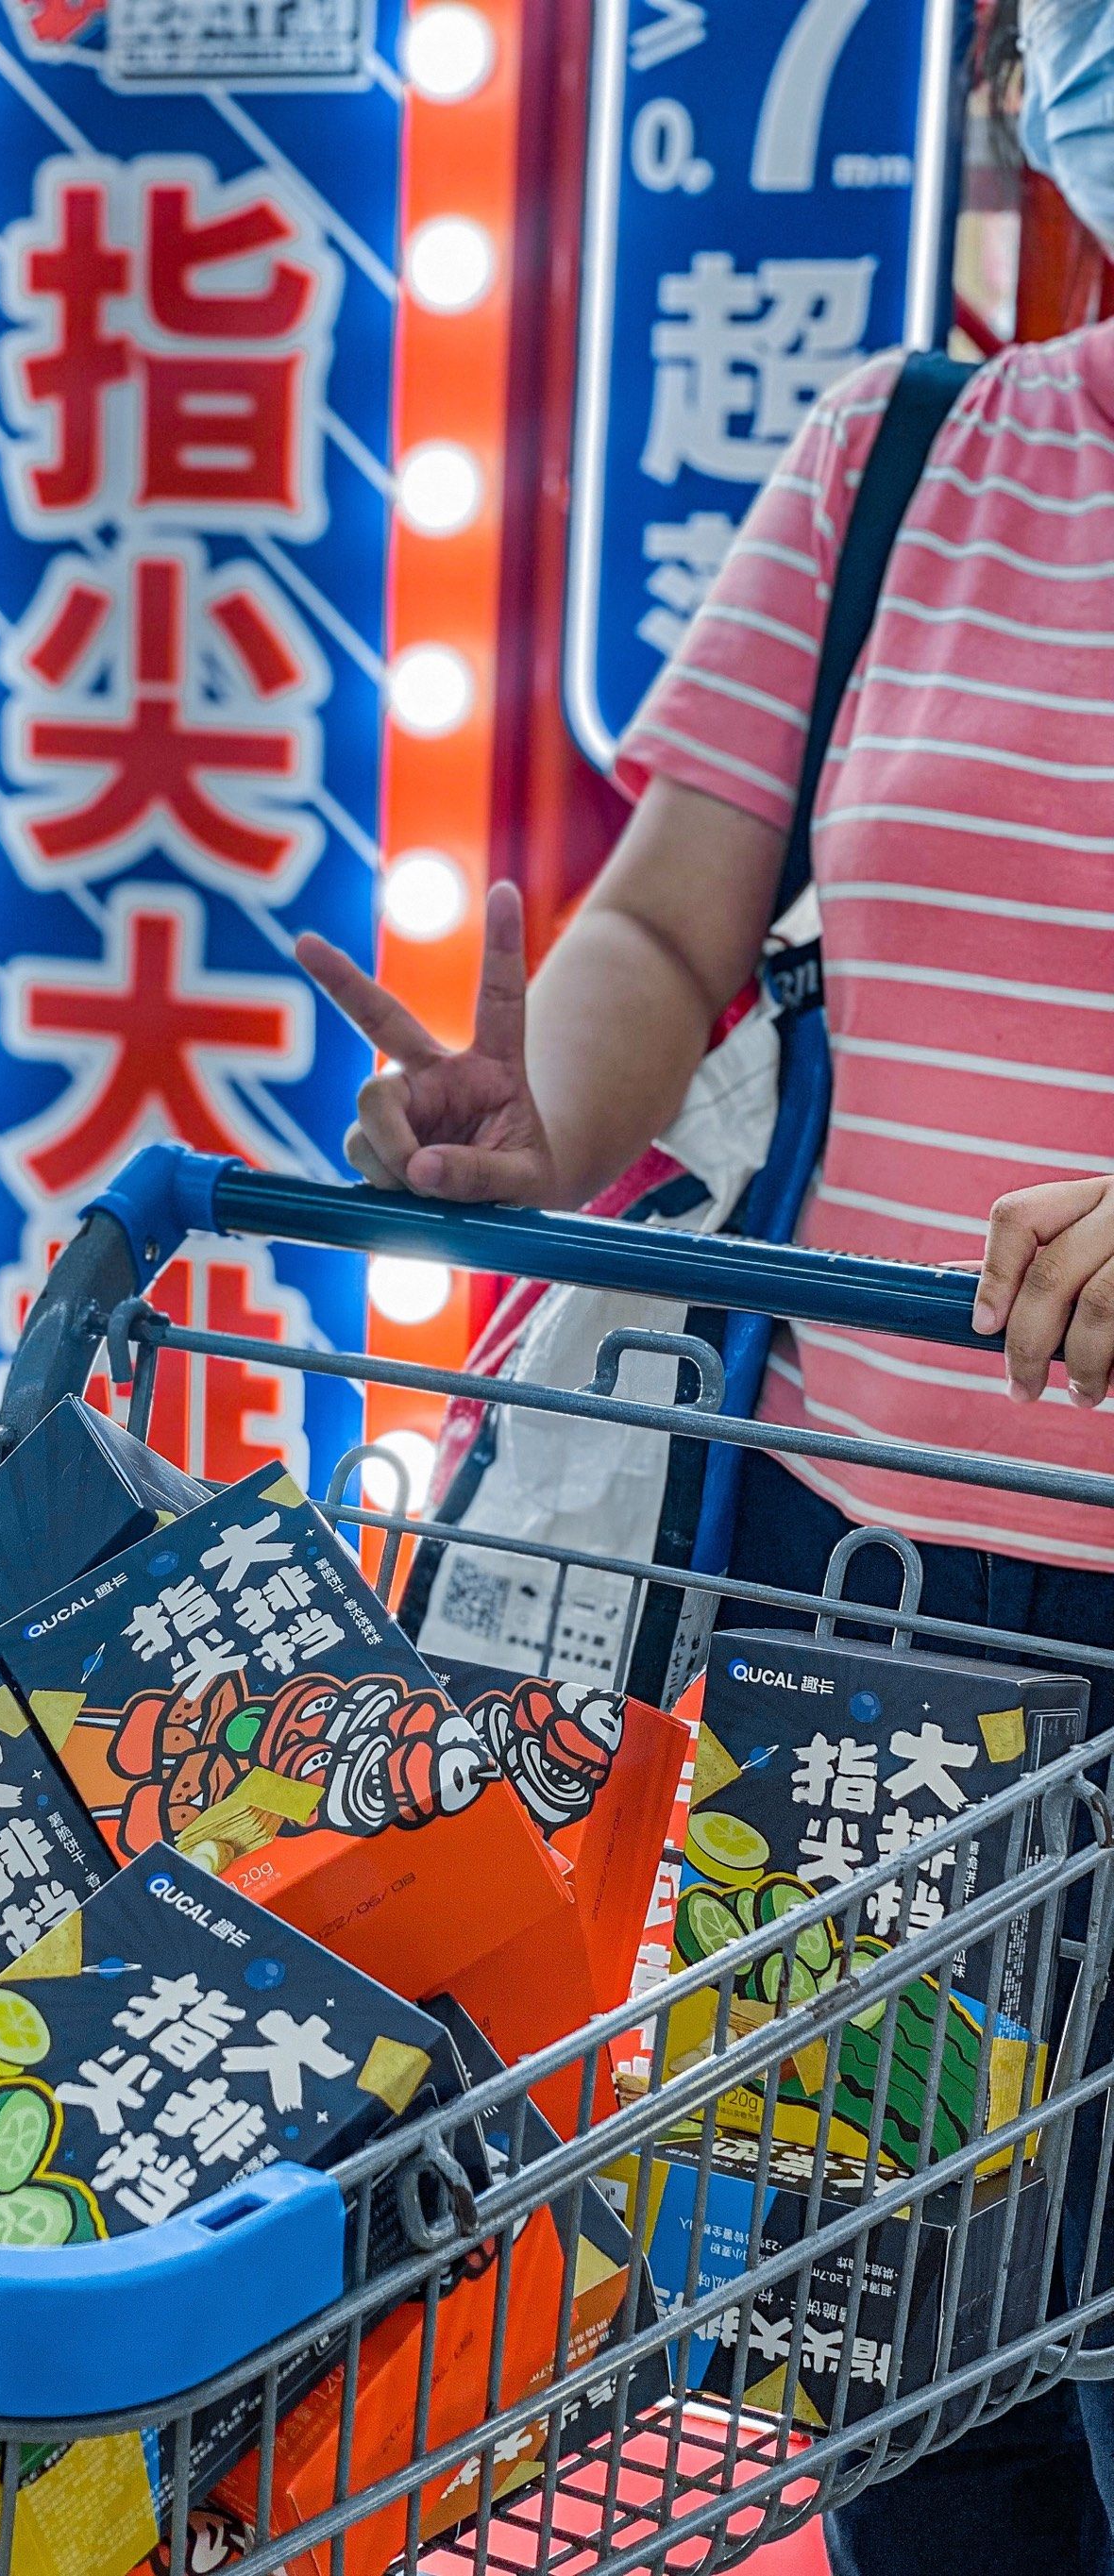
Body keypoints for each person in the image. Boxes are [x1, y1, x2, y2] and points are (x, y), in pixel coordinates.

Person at [303, 2, 1114, 2568]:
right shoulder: (909, 460)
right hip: (859, 1610)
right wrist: (550, 1106)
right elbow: (675, 903)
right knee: (906, 2371)